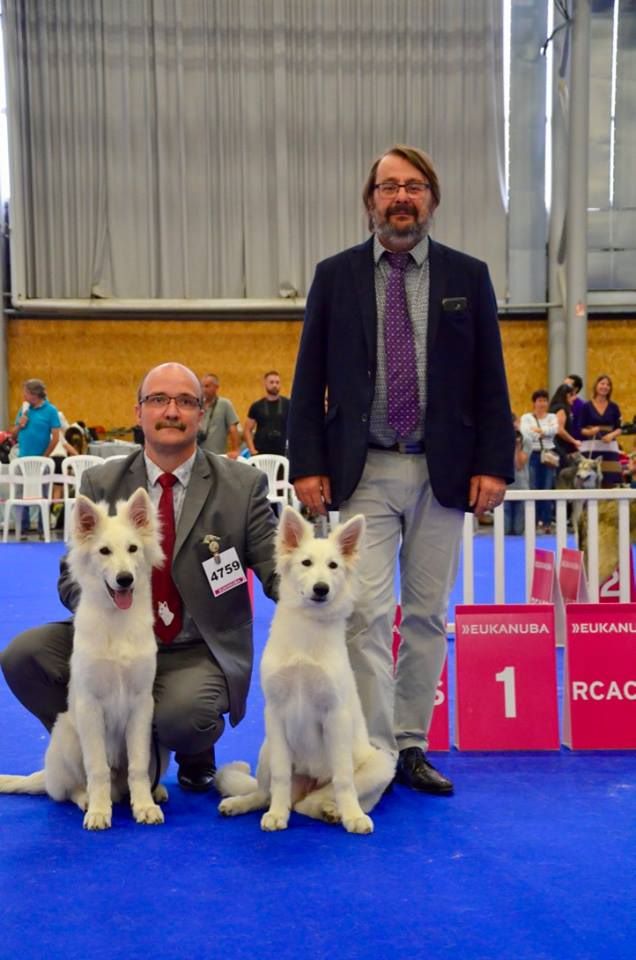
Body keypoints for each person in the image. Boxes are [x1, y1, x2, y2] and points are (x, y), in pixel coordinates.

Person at [288, 144, 514, 795]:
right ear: (371, 201)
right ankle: (374, 750)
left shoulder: (468, 276)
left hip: (444, 471)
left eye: (413, 186)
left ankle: (411, 743)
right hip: (364, 468)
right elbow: (308, 378)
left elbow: (491, 378)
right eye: (389, 187)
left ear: (431, 198)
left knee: (426, 614)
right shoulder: (335, 276)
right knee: (365, 613)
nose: (401, 198)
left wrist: (493, 464)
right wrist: (308, 462)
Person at [1, 362, 278, 793]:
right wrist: (110, 605)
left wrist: (323, 588)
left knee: (186, 717)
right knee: (24, 656)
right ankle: (96, 753)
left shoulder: (242, 486)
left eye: (185, 401)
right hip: (111, 633)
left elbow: (278, 566)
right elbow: (70, 578)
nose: (171, 411)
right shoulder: (101, 480)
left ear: (201, 413)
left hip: (193, 645)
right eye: (158, 400)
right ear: (138, 412)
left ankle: (189, 750)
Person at [11, 378, 62, 536]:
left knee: (43, 494)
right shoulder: (24, 409)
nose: (24, 396)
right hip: (22, 460)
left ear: (35, 394)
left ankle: (42, 528)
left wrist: (45, 457)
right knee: (20, 494)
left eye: (26, 393)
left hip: (42, 461)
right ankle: (22, 529)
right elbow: (13, 435)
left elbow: (56, 437)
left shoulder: (51, 410)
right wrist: (20, 424)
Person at [520, 390, 559, 532]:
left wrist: (539, 430)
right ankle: (534, 522)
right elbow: (526, 433)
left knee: (547, 488)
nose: (542, 404)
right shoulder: (526, 417)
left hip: (548, 456)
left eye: (544, 400)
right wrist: (544, 432)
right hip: (533, 455)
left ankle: (547, 523)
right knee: (533, 488)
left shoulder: (552, 417)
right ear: (534, 403)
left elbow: (555, 430)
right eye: (539, 400)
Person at [579, 374, 623, 488]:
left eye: (608, 385)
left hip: (609, 449)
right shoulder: (586, 406)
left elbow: (619, 428)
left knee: (610, 482)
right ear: (596, 386)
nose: (605, 386)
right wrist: (590, 432)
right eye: (602, 383)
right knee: (589, 482)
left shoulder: (614, 407)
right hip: (591, 448)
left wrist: (611, 435)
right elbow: (580, 429)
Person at [243, 371, 290, 456]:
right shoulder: (256, 406)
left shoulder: (288, 404)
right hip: (261, 453)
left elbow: (297, 426)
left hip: (283, 453)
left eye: (277, 382)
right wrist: (252, 449)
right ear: (265, 384)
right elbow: (247, 430)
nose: (275, 385)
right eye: (271, 382)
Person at [197, 373, 241, 458]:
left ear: (216, 387)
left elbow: (233, 429)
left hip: (218, 456)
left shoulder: (225, 404)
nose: (203, 389)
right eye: (201, 386)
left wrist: (235, 450)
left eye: (207, 386)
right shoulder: (197, 405)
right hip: (199, 455)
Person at [504, 414, 532, 536]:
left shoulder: (526, 440)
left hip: (521, 486)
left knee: (518, 530)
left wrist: (517, 446)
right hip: (504, 488)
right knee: (505, 530)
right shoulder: (500, 440)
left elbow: (519, 465)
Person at [549, 383, 581, 469]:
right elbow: (560, 430)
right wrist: (574, 441)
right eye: (573, 395)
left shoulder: (553, 407)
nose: (575, 398)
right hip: (559, 448)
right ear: (567, 395)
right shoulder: (561, 409)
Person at [564, 373, 584, 440]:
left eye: (567, 385)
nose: (564, 387)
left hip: (575, 442)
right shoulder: (558, 403)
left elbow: (580, 429)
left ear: (576, 389)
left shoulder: (582, 406)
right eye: (563, 384)